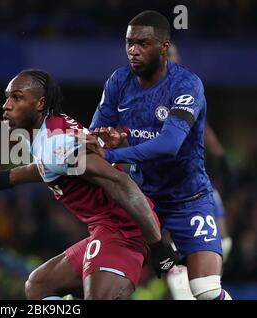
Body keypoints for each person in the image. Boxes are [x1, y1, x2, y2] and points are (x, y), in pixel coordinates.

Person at [0, 69, 178, 300]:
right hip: (108, 228)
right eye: (7, 96)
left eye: (17, 97)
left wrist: (156, 241)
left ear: (40, 103)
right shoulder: (51, 131)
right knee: (39, 286)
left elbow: (119, 182)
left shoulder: (55, 143)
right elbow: (52, 166)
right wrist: (7, 178)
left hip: (124, 230)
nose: (6, 105)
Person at [81, 10, 231, 300]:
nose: (133, 51)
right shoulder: (118, 82)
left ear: (164, 48)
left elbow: (169, 145)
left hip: (188, 201)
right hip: (141, 204)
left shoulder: (186, 85)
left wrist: (114, 152)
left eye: (143, 43)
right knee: (99, 290)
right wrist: (93, 144)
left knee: (205, 291)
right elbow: (93, 137)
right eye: (129, 43)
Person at [160, 43, 234, 300]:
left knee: (223, 240)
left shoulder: (186, 87)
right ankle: (184, 276)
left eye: (174, 55)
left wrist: (219, 155)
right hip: (161, 181)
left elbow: (201, 123)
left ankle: (200, 275)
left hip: (192, 180)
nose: (172, 60)